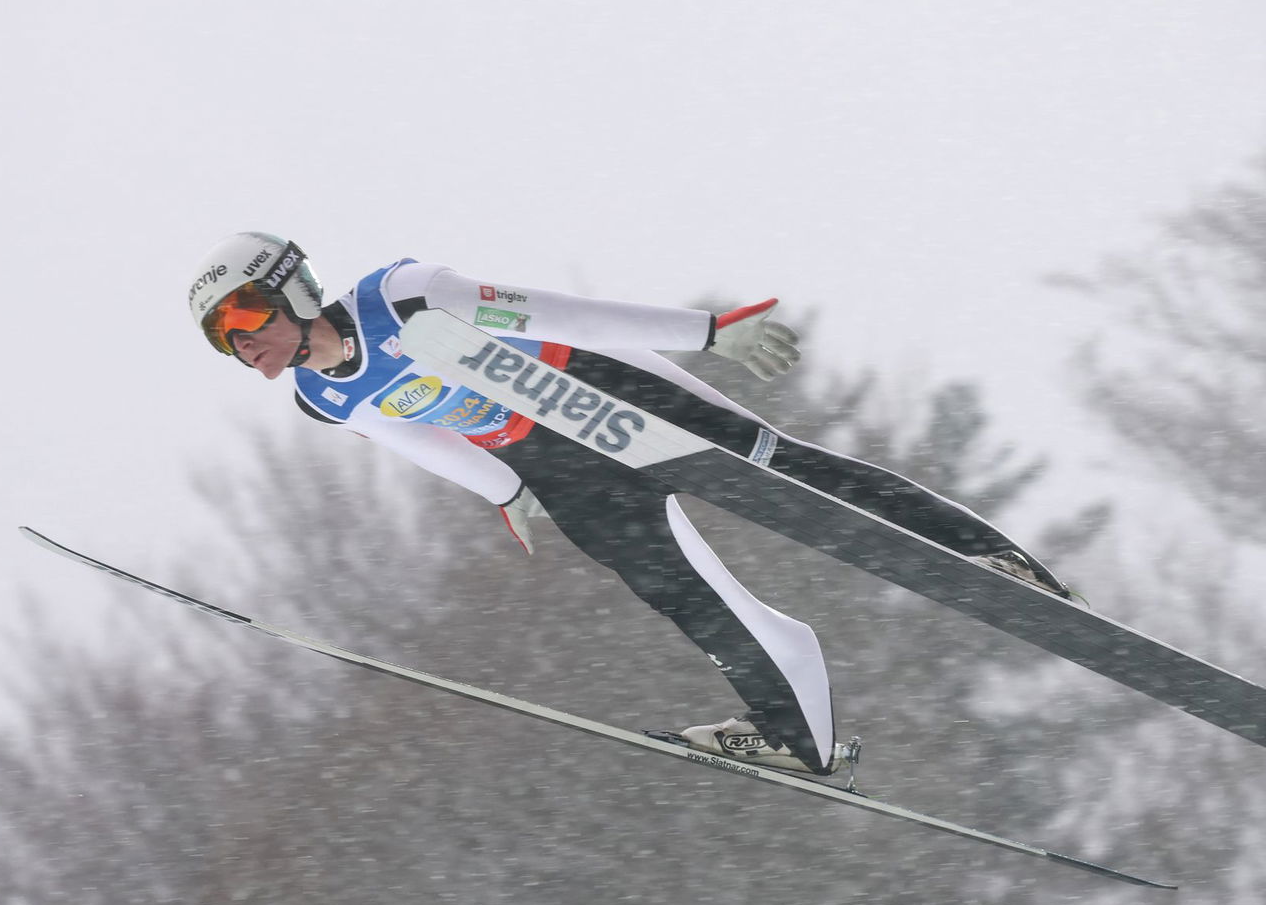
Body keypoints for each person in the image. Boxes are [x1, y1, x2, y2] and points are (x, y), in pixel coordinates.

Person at [188, 232, 1071, 776]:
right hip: (552, 465)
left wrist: (708, 332)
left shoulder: (404, 297)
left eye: (246, 319)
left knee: (794, 477)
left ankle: (983, 555)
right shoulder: (324, 398)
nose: (248, 348)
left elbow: (563, 312)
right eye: (227, 343)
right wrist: (507, 492)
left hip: (605, 395)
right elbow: (412, 436)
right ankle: (799, 734)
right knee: (683, 595)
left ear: (291, 288)